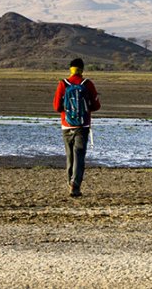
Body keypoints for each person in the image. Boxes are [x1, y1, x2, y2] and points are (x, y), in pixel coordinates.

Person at [52, 57, 101, 197]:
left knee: (69, 155)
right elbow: (97, 106)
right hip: (83, 125)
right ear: (82, 69)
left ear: (70, 69)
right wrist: (85, 110)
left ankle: (69, 181)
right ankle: (76, 185)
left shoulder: (63, 84)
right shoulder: (88, 84)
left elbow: (56, 107)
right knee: (79, 155)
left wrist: (67, 111)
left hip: (66, 125)